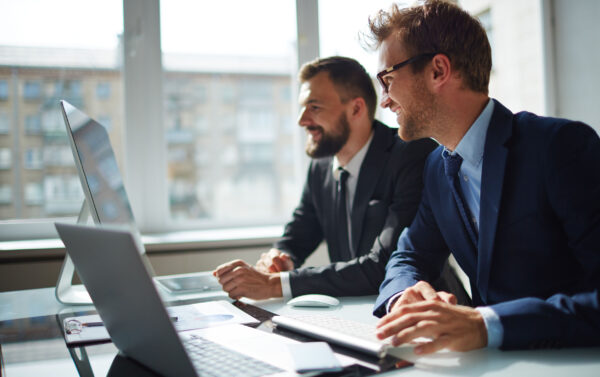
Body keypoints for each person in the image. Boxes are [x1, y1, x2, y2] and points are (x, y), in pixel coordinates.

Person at [366, 0, 600, 355]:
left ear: (438, 70)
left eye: (388, 79)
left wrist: (487, 324)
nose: (384, 101)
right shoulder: (437, 167)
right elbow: (408, 255)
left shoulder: (559, 147)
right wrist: (405, 294)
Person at [213, 56, 453, 301]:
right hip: (351, 311)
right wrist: (281, 256)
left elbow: (385, 265)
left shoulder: (412, 155)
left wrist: (276, 284)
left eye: (314, 107)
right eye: (302, 107)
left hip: (427, 313)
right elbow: (301, 230)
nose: (301, 120)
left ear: (356, 109)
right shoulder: (321, 165)